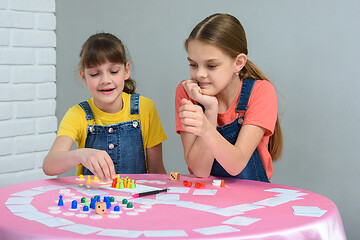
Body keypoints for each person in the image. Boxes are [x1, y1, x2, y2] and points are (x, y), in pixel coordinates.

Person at [43, 33, 167, 182]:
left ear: (126, 71)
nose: (105, 80)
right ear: (84, 77)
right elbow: (49, 165)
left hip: (137, 202)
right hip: (93, 202)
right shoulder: (77, 114)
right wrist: (81, 154)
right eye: (95, 74)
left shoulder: (145, 108)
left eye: (113, 71)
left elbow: (157, 171)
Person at [175, 13, 283, 182]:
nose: (200, 74)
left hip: (254, 200)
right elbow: (200, 170)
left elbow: (236, 164)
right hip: (207, 199)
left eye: (212, 65)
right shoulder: (187, 92)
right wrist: (210, 111)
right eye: (193, 64)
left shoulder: (261, 92)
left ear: (238, 63)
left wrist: (206, 129)